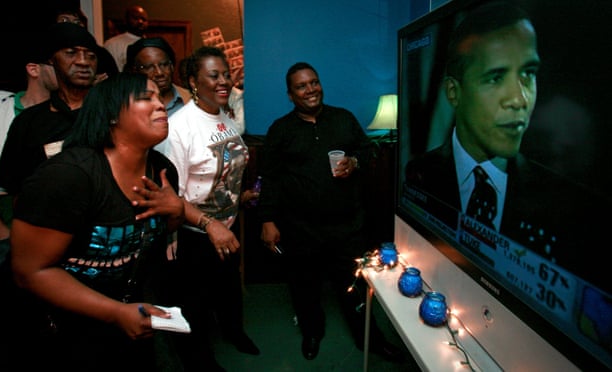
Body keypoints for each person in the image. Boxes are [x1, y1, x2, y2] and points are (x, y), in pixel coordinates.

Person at [0, 72, 185, 371]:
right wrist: (115, 312)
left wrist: (175, 212)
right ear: (110, 115)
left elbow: (149, 238)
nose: (160, 105)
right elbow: (30, 271)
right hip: (50, 324)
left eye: (160, 97)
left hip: (119, 312)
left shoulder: (162, 171)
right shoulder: (68, 176)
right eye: (146, 97)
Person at [403, 1, 605, 265]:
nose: (519, 100)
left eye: (528, 74)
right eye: (495, 77)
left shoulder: (571, 206)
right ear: (454, 92)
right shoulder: (419, 172)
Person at [256, 62, 405, 362]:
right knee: (304, 286)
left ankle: (370, 338)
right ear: (290, 94)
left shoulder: (343, 119)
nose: (310, 89)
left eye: (314, 82)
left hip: (347, 225)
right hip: (301, 228)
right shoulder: (281, 130)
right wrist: (267, 220)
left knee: (355, 285)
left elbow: (367, 150)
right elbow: (268, 178)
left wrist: (355, 162)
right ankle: (312, 333)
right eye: (301, 86)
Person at [163, 46, 259, 371]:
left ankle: (235, 333)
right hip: (195, 235)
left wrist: (240, 196)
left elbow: (222, 170)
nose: (223, 81)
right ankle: (200, 361)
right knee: (196, 303)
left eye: (226, 74)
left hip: (227, 227)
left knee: (229, 290)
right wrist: (208, 224)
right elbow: (169, 198)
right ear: (193, 81)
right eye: (214, 75)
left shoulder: (224, 117)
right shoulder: (179, 128)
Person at [0, 22, 99, 198]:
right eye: (71, 53)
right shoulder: (28, 122)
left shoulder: (112, 113)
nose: (83, 61)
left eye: (91, 56)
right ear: (52, 60)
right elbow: (14, 188)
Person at [0, 37, 59, 279]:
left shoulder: (71, 116)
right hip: (7, 230)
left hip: (54, 236)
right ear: (34, 69)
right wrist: (1, 232)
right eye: (56, 62)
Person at [125, 37, 191, 122]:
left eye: (164, 64)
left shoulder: (191, 99)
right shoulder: (127, 104)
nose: (159, 73)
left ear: (171, 66)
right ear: (135, 70)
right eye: (149, 67)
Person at [52, 6, 119, 85]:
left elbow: (115, 83)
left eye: (77, 22)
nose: (72, 25)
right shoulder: (47, 52)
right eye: (64, 20)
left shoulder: (100, 53)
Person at [104, 5, 149, 72]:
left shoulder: (150, 44)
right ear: (126, 20)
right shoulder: (112, 44)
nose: (140, 22)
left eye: (144, 19)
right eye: (136, 18)